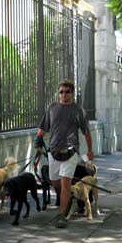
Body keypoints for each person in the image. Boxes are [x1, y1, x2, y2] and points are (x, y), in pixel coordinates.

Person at [34, 80, 94, 228]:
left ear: (72, 93)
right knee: (55, 182)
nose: (64, 94)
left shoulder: (78, 110)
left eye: (67, 91)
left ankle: (61, 216)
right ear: (58, 93)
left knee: (65, 182)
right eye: (61, 91)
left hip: (71, 151)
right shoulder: (52, 108)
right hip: (53, 151)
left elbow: (86, 132)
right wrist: (38, 141)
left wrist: (90, 150)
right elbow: (43, 128)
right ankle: (65, 201)